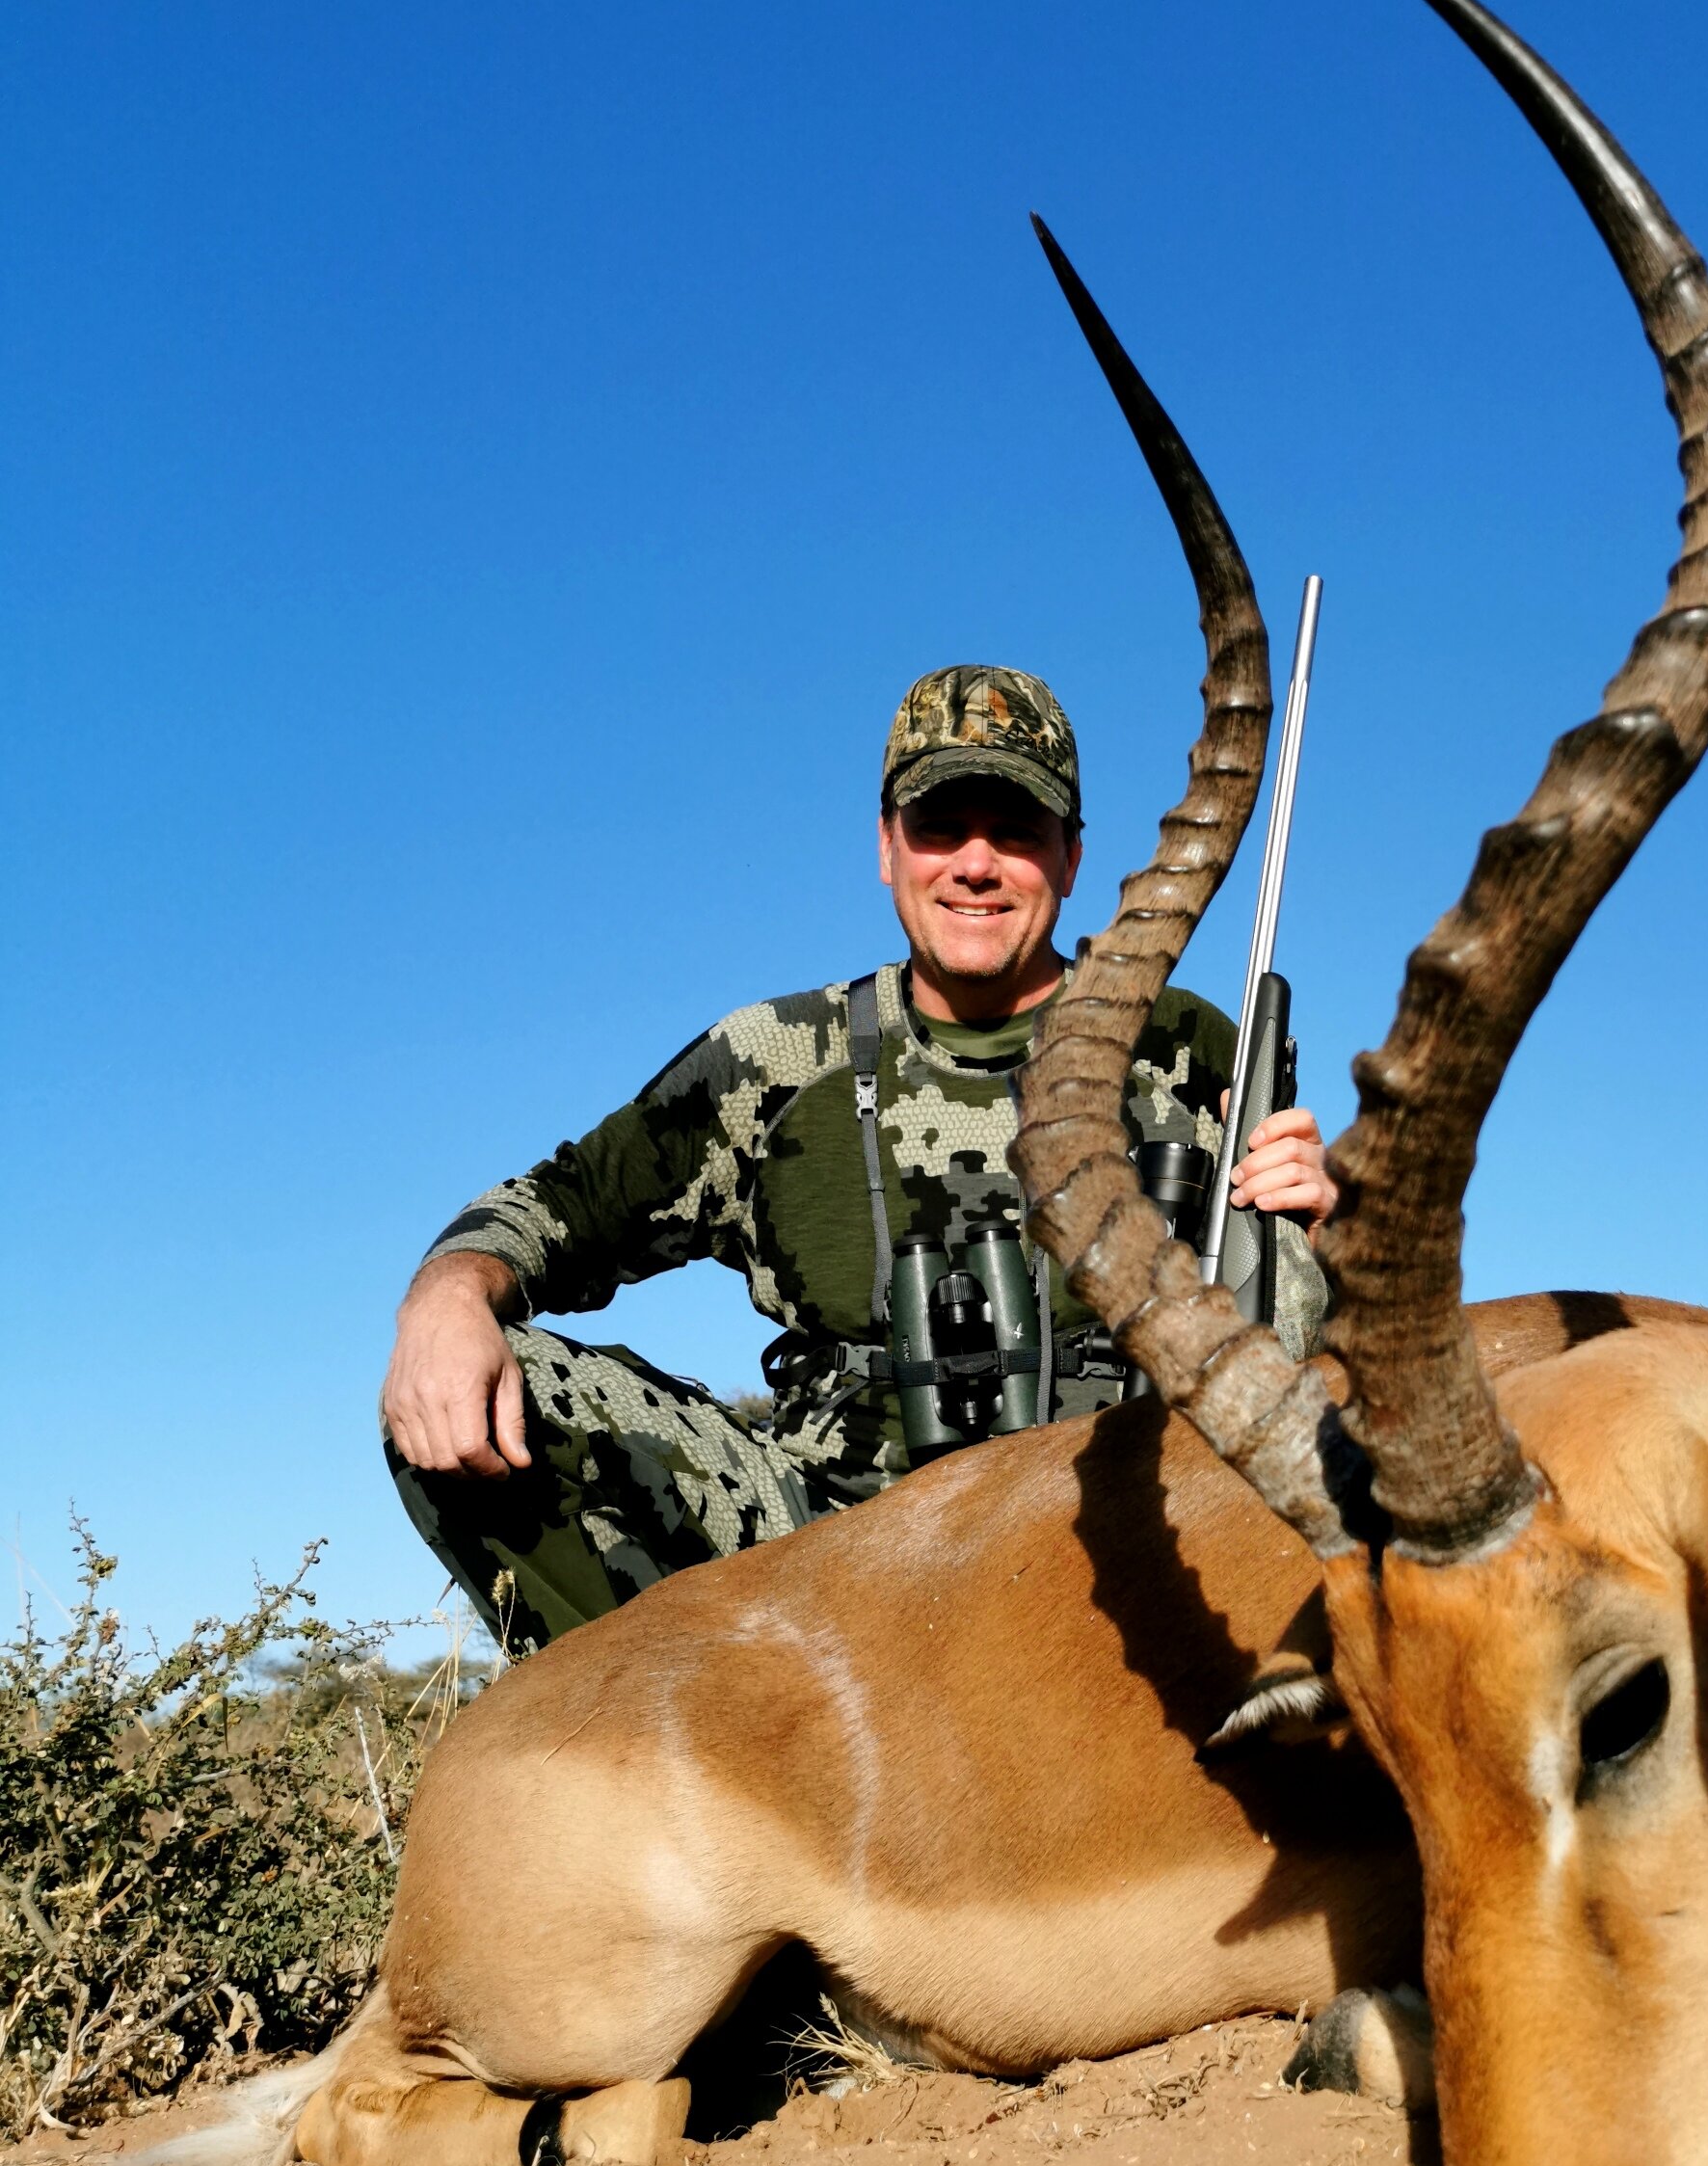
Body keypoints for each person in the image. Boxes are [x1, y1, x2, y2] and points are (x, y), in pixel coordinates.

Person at [381, 665, 1336, 1653]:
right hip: (827, 1555)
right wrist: (448, 1295)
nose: (977, 864)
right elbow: (559, 1206)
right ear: (887, 848)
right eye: (940, 827)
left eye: (1016, 831)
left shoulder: (1184, 1046)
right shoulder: (774, 1060)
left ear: (1071, 858)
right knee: (487, 1381)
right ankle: (685, 1760)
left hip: (1125, 1530)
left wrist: (1320, 1222)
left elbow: (1314, 1331)